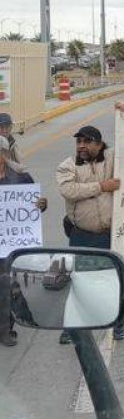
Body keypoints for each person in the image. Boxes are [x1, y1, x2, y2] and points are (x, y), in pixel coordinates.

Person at [56, 124, 124, 343]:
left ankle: (119, 323)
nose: (81, 146)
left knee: (115, 281)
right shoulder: (68, 166)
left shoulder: (113, 159)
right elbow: (69, 190)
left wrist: (123, 114)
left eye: (87, 141)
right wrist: (102, 186)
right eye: (79, 142)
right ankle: (72, 328)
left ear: (99, 143)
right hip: (82, 234)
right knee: (78, 282)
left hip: (111, 234)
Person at [0, 137, 47, 347]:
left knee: (6, 286)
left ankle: (5, 329)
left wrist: (41, 204)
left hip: (10, 244)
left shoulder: (20, 177)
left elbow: (33, 205)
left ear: (4, 155)